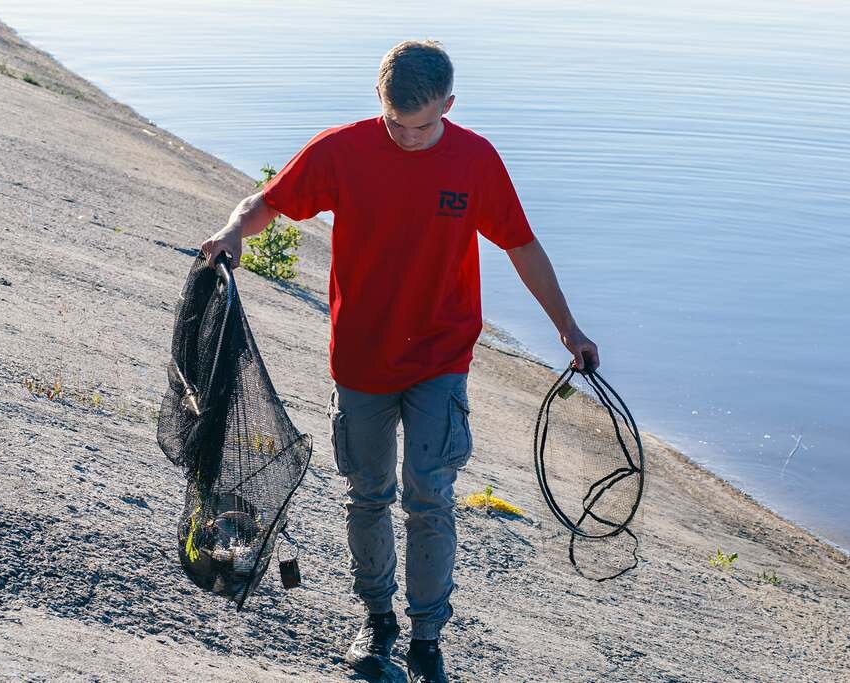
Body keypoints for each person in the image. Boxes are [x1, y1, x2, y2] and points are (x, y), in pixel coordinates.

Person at [201, 39, 599, 683]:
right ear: (379, 104)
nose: (405, 139)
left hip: (441, 356)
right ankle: (376, 622)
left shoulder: (475, 160)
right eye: (393, 124)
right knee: (367, 496)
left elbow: (521, 245)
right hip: (359, 359)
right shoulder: (342, 149)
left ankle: (427, 637)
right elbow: (267, 203)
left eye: (419, 127)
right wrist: (230, 231)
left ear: (449, 104)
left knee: (429, 497)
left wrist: (568, 328)